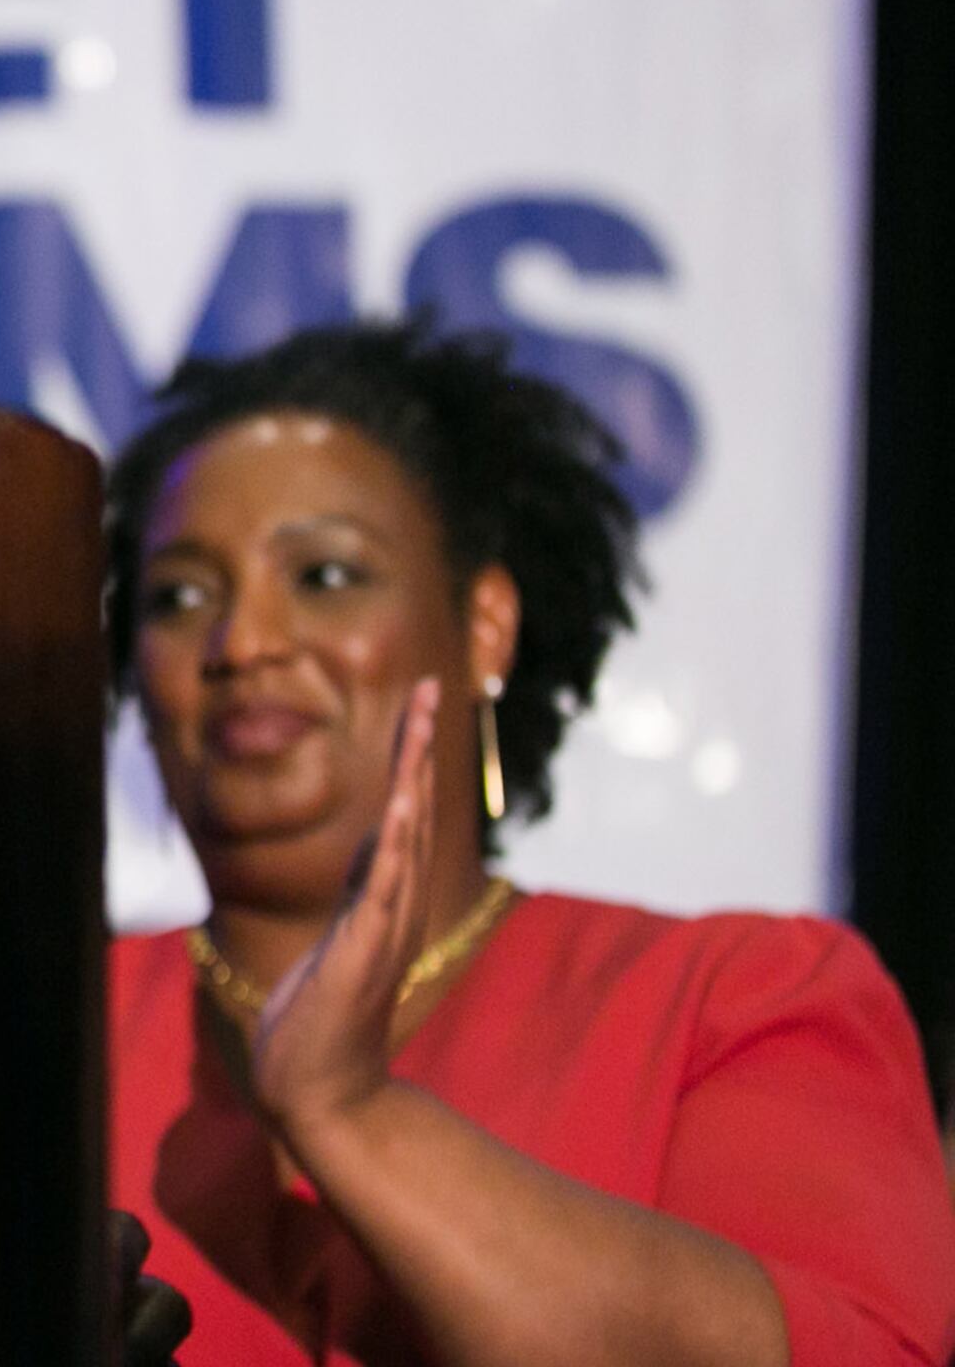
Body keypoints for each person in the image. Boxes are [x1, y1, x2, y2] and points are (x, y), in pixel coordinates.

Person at [103, 320, 955, 1366]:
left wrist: (349, 1113)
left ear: (484, 625)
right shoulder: (31, 1035)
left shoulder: (740, 999)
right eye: (180, 596)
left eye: (325, 576)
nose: (244, 643)